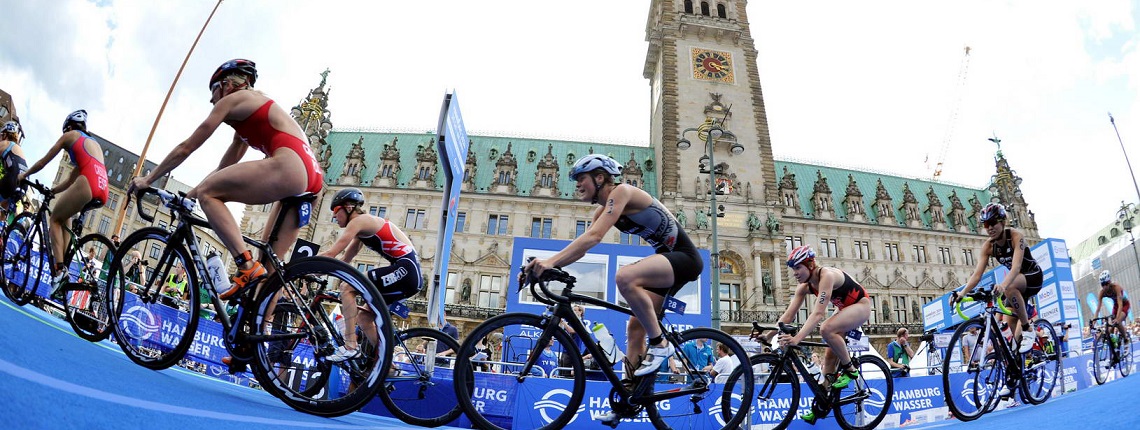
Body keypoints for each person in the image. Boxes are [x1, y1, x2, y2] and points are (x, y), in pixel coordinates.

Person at [128, 59, 324, 304]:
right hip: (313, 179)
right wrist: (189, 197)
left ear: (226, 85)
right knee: (270, 263)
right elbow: (224, 169)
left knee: (210, 195)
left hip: (292, 165)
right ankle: (257, 334)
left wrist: (149, 179)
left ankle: (244, 263)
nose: (212, 101)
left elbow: (187, 147)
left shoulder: (235, 99)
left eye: (213, 93)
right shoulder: (248, 118)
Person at [523, 154, 702, 385]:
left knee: (625, 276)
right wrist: (544, 267)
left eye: (581, 178)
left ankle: (660, 344)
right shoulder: (602, 211)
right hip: (668, 261)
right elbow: (583, 247)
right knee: (635, 327)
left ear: (599, 178)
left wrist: (549, 262)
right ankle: (630, 393)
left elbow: (595, 236)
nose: (577, 184)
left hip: (684, 258)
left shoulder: (622, 192)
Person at [762, 245, 870, 425]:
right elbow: (788, 316)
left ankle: (851, 371)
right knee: (829, 354)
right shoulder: (803, 287)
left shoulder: (826, 275)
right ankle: (821, 405)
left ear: (810, 264)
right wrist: (769, 336)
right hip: (844, 309)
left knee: (826, 328)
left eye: (798, 268)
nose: (794, 273)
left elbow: (819, 314)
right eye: (792, 268)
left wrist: (797, 339)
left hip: (861, 306)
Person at [319, 187, 423, 361]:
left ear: (349, 207)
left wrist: (298, 266)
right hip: (408, 273)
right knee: (364, 318)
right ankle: (388, 363)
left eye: (336, 210)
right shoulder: (362, 228)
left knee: (347, 288)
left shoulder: (359, 221)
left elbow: (331, 254)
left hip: (405, 269)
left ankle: (350, 345)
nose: (334, 216)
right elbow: (344, 261)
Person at [19, 110, 108, 296]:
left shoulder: (70, 136)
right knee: (65, 215)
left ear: (68, 126)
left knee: (54, 219)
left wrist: (24, 175)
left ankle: (59, 272)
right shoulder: (92, 144)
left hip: (89, 180)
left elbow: (44, 161)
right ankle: (65, 263)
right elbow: (68, 181)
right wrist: (53, 191)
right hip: (103, 186)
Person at [952, 203, 1041, 356]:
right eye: (986, 224)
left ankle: (1028, 329)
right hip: (1014, 284)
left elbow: (1016, 267)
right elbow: (977, 275)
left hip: (1032, 277)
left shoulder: (1015, 236)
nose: (990, 228)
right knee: (1010, 328)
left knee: (1010, 287)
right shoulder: (988, 246)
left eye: (993, 223)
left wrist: (1003, 285)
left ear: (1003, 222)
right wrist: (962, 293)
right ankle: (1020, 361)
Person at [1091, 270, 1131, 359]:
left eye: (1106, 284)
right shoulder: (1102, 292)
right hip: (1116, 306)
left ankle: (1126, 339)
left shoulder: (1116, 287)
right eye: (1102, 284)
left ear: (1109, 282)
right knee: (1109, 331)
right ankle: (1115, 350)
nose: (1104, 286)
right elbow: (1097, 309)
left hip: (1124, 305)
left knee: (1117, 322)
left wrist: (1117, 319)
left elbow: (1120, 304)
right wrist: (1093, 322)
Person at [559, 304, 597, 376]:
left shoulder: (581, 323)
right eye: (574, 310)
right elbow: (562, 331)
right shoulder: (570, 322)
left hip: (573, 351)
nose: (575, 312)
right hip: (565, 350)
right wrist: (561, 322)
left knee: (568, 374)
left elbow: (572, 331)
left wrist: (564, 323)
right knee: (562, 372)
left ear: (581, 312)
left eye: (577, 310)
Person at [0, 119, 28, 215]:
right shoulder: (18, 148)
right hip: (24, 183)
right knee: (4, 209)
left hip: (13, 177)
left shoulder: (5, 143)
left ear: (5, 134)